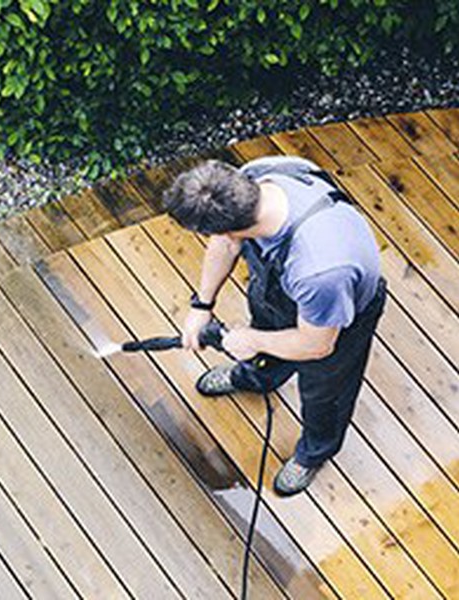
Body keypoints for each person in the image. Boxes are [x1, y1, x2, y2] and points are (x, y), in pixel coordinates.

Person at [163, 156, 386, 496]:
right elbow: (227, 242)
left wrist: (251, 339)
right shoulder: (254, 178)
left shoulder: (320, 270)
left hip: (336, 321)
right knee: (266, 339)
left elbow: (316, 345)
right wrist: (202, 304)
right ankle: (257, 378)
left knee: (325, 395)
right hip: (280, 292)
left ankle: (314, 452)